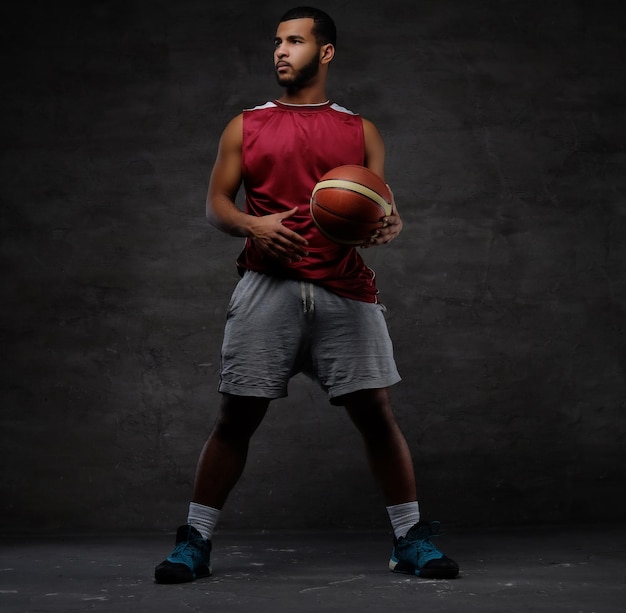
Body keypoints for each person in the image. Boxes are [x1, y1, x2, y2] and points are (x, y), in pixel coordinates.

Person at [154, 6, 459, 584]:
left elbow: (377, 207)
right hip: (266, 288)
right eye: (276, 42)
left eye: (293, 41)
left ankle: (410, 540)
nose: (279, 51)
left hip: (345, 290)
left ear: (325, 52)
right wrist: (253, 225)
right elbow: (218, 205)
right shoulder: (245, 125)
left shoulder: (360, 130)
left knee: (376, 416)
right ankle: (193, 542)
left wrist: (392, 225)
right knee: (235, 418)